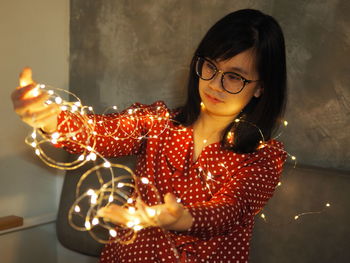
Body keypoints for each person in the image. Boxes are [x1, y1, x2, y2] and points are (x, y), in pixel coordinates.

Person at [11, 8, 287, 263]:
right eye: (210, 67)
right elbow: (101, 131)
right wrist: (51, 120)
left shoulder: (263, 158)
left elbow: (230, 210)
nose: (215, 84)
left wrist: (181, 218)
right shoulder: (158, 122)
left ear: (261, 87)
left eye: (234, 77)